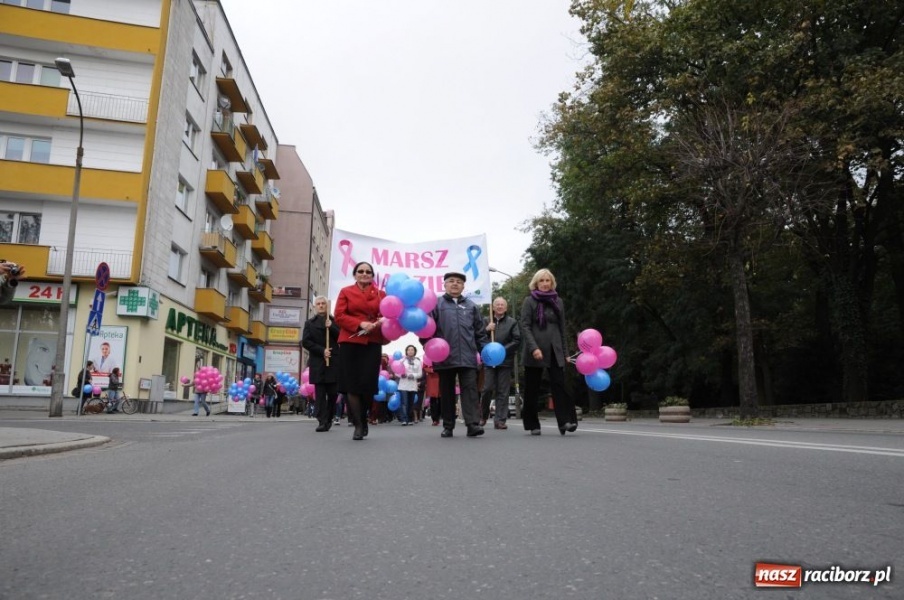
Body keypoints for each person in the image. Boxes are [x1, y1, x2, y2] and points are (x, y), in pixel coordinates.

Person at [421, 271, 489, 438]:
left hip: (467, 356)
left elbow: (480, 333)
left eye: (458, 281)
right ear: (444, 285)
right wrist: (430, 347)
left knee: (470, 391)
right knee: (447, 393)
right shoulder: (436, 305)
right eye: (451, 281)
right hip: (444, 357)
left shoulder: (472, 306)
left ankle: (473, 425)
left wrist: (485, 352)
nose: (455, 284)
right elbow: (425, 330)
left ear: (463, 286)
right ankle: (448, 426)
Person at [520, 268, 578, 436]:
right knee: (532, 388)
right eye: (541, 281)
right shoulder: (529, 301)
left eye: (548, 281)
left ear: (552, 283)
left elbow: (562, 327)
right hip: (535, 350)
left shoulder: (558, 301)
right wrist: (534, 348)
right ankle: (532, 424)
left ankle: (565, 421)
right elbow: (525, 326)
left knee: (560, 385)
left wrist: (566, 352)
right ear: (536, 283)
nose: (545, 284)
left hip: (555, 349)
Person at [334, 261, 387, 441]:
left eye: (368, 272)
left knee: (367, 386)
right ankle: (358, 424)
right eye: (360, 271)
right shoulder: (346, 292)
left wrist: (381, 321)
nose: (364, 274)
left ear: (373, 276)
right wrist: (359, 324)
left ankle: (364, 417)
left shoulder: (381, 294)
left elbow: (388, 314)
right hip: (350, 342)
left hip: (372, 342)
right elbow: (339, 316)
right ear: (355, 274)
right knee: (351, 384)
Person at [481, 297, 521, 430]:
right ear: (493, 307)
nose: (499, 306)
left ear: (506, 307)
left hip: (505, 360)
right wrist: (486, 329)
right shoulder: (486, 321)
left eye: (502, 304)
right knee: (487, 389)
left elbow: (516, 340)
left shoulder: (512, 322)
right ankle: (483, 415)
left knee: (502, 391)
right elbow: (477, 337)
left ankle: (500, 420)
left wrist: (502, 350)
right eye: (497, 304)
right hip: (488, 361)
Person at [302, 295, 341, 432]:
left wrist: (333, 328)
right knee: (320, 393)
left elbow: (342, 338)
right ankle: (322, 420)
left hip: (334, 363)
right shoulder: (310, 323)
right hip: (318, 362)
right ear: (314, 306)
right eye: (318, 303)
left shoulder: (335, 321)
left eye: (323, 303)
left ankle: (329, 417)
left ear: (327, 305)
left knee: (333, 394)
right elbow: (305, 342)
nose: (320, 305)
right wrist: (321, 351)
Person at [397, 344, 423, 426]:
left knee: (411, 403)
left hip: (412, 385)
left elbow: (420, 374)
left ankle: (409, 418)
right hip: (403, 384)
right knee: (404, 402)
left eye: (412, 350)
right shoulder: (402, 361)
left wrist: (413, 376)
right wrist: (401, 375)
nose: (410, 351)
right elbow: (396, 371)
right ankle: (404, 419)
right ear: (406, 351)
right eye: (409, 350)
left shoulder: (418, 361)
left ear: (415, 351)